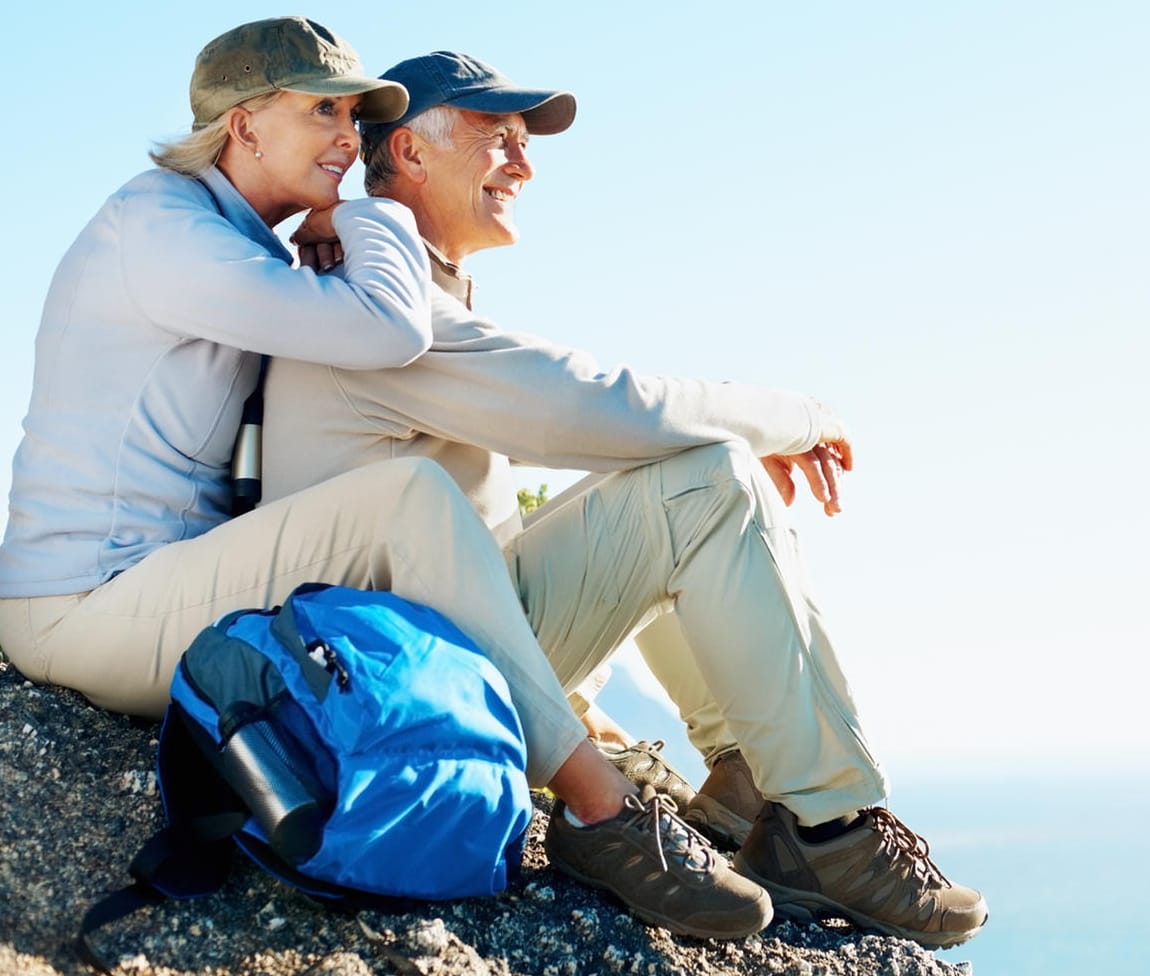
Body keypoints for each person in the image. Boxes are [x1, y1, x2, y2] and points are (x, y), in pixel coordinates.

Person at [0, 19, 770, 940]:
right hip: (83, 606)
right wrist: (374, 213)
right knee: (405, 494)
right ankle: (601, 811)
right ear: (243, 126)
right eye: (324, 111)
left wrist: (336, 220)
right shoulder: (164, 231)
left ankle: (691, 754)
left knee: (626, 499)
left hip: (168, 583)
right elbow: (387, 330)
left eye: (354, 114)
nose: (347, 138)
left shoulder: (230, 236)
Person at [262, 50, 989, 948]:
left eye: (526, 142)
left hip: (430, 637)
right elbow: (596, 405)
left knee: (678, 476)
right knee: (703, 479)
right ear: (408, 152)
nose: (524, 164)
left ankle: (743, 780)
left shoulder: (397, 281)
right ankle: (827, 831)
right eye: (500, 138)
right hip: (392, 673)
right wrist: (795, 418)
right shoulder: (374, 303)